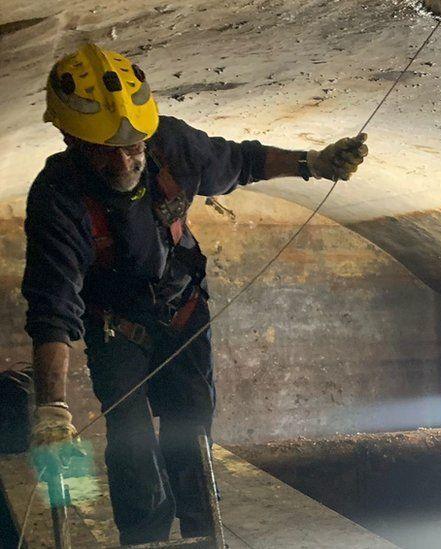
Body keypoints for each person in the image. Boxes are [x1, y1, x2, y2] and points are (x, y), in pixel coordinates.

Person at [23, 43, 369, 544]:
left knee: (191, 428)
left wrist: (311, 162)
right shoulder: (57, 196)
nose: (124, 159)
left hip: (183, 312)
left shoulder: (172, 145)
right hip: (114, 326)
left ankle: (205, 532)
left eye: (133, 145)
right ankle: (144, 538)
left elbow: (243, 161)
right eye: (106, 150)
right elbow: (53, 306)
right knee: (132, 442)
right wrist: (52, 408)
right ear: (70, 139)